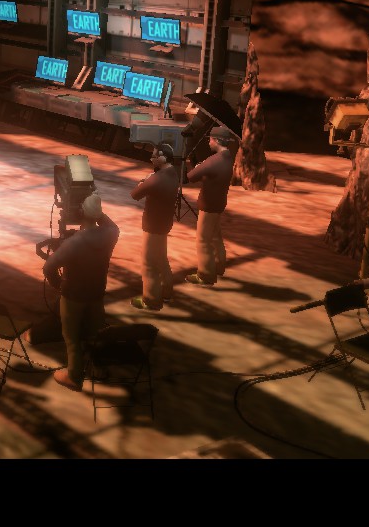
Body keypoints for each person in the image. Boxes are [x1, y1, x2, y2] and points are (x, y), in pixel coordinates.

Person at [43, 194, 121, 391]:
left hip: (73, 295)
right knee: (96, 333)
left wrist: (58, 285)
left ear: (80, 213)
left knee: (72, 337)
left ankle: (74, 376)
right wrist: (96, 211)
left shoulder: (74, 242)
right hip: (97, 292)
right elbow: (109, 223)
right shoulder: (111, 233)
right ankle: (98, 368)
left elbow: (49, 267)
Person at [184, 125, 236, 285]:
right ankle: (219, 266)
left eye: (210, 140)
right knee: (215, 236)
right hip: (219, 202)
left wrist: (196, 166)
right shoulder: (228, 158)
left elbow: (191, 177)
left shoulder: (213, 161)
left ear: (216, 141)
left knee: (203, 240)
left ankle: (206, 275)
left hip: (208, 204)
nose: (209, 143)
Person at [130, 144, 179, 310]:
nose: (151, 159)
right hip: (164, 223)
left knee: (149, 263)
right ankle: (166, 292)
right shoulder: (173, 173)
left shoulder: (157, 178)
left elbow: (135, 194)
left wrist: (144, 180)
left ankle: (151, 300)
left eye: (154, 156)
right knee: (161, 258)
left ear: (163, 158)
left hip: (153, 224)